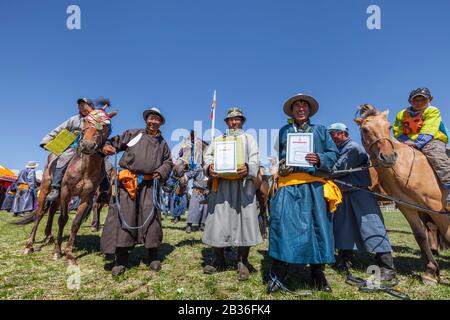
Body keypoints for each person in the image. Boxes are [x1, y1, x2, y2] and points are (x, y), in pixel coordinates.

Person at [268, 93, 341, 293]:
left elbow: (334, 153)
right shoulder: (284, 131)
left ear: (309, 110)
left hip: (314, 186)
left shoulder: (321, 130)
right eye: (296, 106)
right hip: (288, 185)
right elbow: (280, 156)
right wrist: (282, 165)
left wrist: (318, 158)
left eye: (304, 106)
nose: (300, 108)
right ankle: (278, 272)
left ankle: (317, 273)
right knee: (283, 225)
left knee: (318, 227)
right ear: (291, 111)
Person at [101, 107, 173, 277]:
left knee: (152, 217)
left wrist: (161, 171)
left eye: (157, 119)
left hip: (150, 184)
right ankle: (121, 259)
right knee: (124, 216)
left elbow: (168, 162)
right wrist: (108, 147)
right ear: (146, 120)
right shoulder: (133, 134)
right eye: (151, 118)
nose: (154, 121)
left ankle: (153, 255)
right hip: (128, 182)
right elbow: (113, 143)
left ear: (161, 122)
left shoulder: (162, 143)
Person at [328, 123, 396, 282]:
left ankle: (387, 266)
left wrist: (318, 168)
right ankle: (345, 259)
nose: (330, 137)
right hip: (343, 193)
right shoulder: (339, 148)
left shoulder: (352, 148)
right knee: (343, 227)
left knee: (372, 226)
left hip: (359, 192)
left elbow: (336, 169)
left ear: (342, 133)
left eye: (332, 133)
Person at [202, 107, 263, 281]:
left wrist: (248, 167)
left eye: (237, 119)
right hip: (221, 186)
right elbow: (208, 157)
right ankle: (218, 259)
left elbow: (255, 158)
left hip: (242, 185)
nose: (234, 122)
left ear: (242, 121)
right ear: (227, 122)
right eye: (231, 120)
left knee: (245, 220)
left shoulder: (249, 138)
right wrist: (209, 167)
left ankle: (242, 261)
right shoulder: (218, 140)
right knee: (218, 220)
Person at [393, 88, 450, 207]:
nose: (419, 102)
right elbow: (397, 131)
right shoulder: (402, 114)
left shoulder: (432, 111)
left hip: (432, 140)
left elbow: (429, 129)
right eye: (415, 100)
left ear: (430, 100)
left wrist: (417, 143)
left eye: (422, 100)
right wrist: (406, 141)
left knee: (438, 158)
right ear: (410, 101)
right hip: (408, 142)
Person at [40, 98, 95, 202]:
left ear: (91, 106)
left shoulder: (97, 119)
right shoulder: (74, 119)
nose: (81, 107)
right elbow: (60, 128)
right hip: (75, 147)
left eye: (84, 105)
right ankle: (55, 187)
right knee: (64, 157)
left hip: (92, 147)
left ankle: (104, 191)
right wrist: (47, 139)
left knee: (104, 163)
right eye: (79, 106)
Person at [185, 164, 209, 233]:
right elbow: (190, 174)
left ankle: (202, 225)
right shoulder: (198, 169)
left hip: (206, 193)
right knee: (193, 209)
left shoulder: (210, 170)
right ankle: (189, 225)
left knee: (205, 210)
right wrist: (185, 177)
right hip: (196, 192)